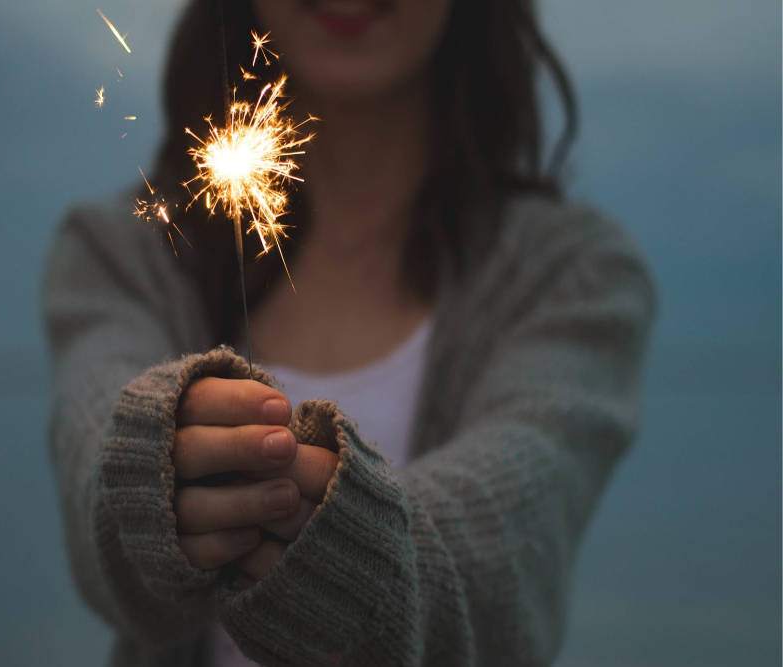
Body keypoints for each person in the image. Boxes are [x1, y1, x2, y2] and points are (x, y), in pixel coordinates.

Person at [41, 0, 657, 665]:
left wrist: (352, 544)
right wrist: (152, 472)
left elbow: (514, 536)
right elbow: (97, 467)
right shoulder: (122, 254)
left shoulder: (572, 276)